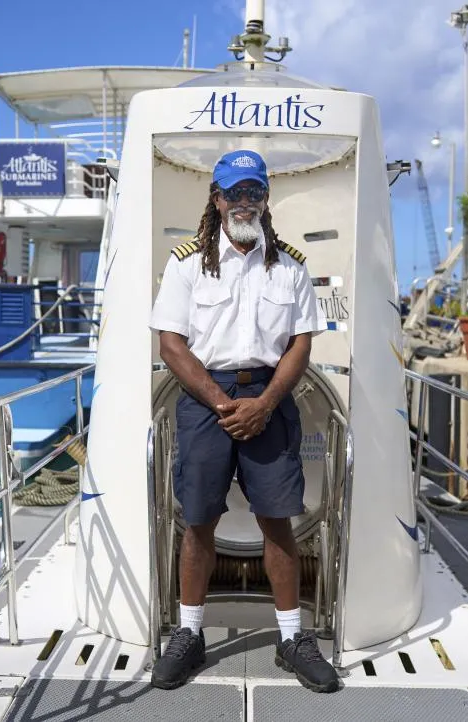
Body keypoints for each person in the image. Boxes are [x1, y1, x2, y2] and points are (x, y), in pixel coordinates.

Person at [149, 149, 339, 693]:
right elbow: (171, 342)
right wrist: (221, 403)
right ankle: (189, 635)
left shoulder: (292, 265)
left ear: (265, 199)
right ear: (216, 198)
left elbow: (301, 342)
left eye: (254, 191)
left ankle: (291, 640)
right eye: (234, 192)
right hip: (206, 399)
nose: (244, 201)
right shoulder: (186, 263)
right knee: (200, 520)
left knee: (277, 519)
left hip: (272, 397)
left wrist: (264, 402)